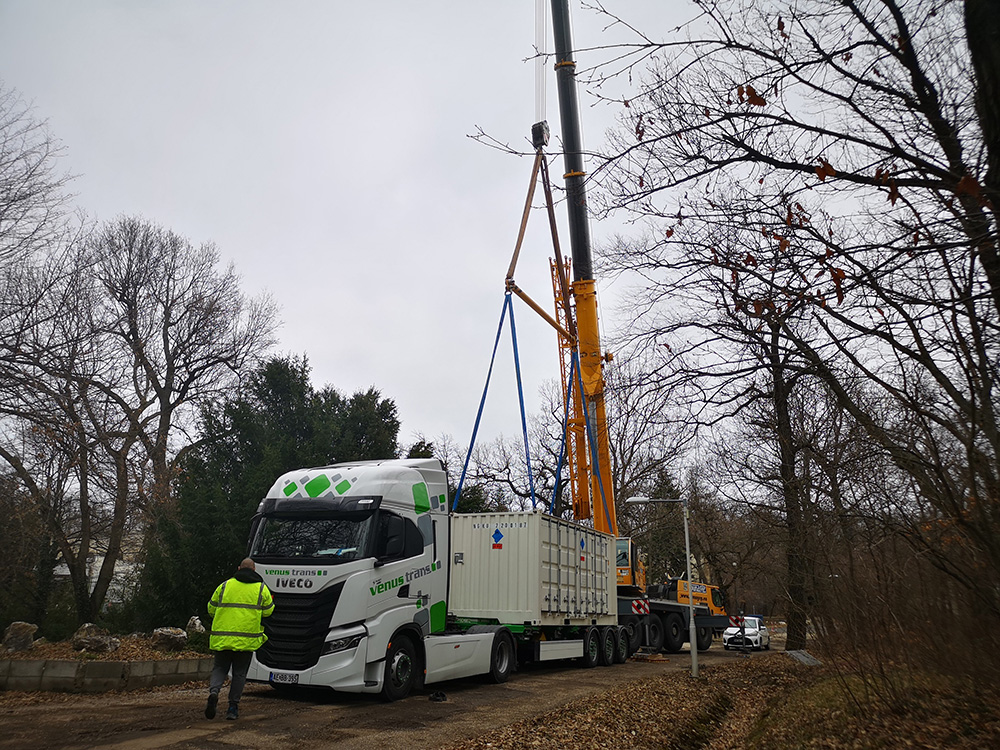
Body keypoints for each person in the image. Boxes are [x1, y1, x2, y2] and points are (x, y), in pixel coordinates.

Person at [204, 558, 274, 721]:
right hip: (246, 641)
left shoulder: (224, 586)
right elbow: (269, 612)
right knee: (239, 674)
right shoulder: (261, 589)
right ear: (254, 570)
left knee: (220, 668)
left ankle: (214, 693)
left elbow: (211, 609)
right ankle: (232, 707)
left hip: (222, 639)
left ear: (238, 568)